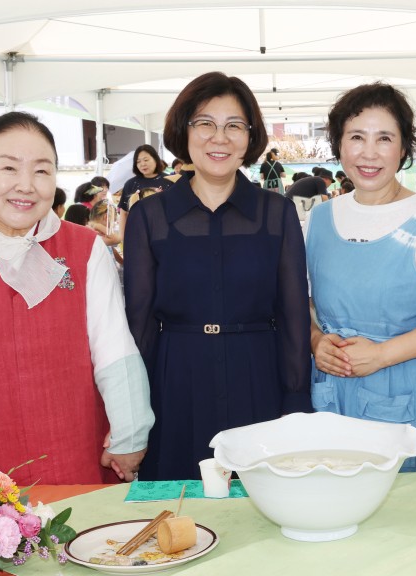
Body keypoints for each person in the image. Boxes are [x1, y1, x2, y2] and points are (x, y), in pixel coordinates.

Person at [0, 111, 154, 486]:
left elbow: (113, 346)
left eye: (41, 170)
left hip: (78, 453)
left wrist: (130, 434)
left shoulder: (84, 248)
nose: (25, 185)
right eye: (8, 168)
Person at [124, 72, 311, 481]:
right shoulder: (149, 217)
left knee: (264, 509)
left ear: (250, 136)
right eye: (205, 123)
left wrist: (296, 402)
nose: (219, 138)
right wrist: (133, 412)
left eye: (234, 126)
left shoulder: (276, 213)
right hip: (175, 384)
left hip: (258, 378)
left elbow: (295, 316)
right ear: (184, 131)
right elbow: (138, 323)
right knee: (178, 514)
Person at [307, 82, 416, 472]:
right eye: (356, 137)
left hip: (403, 390)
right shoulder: (317, 219)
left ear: (404, 149)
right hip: (333, 390)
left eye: (384, 138)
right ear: (339, 145)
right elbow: (299, 301)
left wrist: (382, 354)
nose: (368, 153)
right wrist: (316, 340)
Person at [119, 145, 178, 237]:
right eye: (138, 161)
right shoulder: (131, 184)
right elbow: (124, 213)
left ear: (155, 159)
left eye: (146, 160)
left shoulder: (170, 181)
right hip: (138, 233)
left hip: (165, 233)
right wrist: (122, 238)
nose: (142, 164)